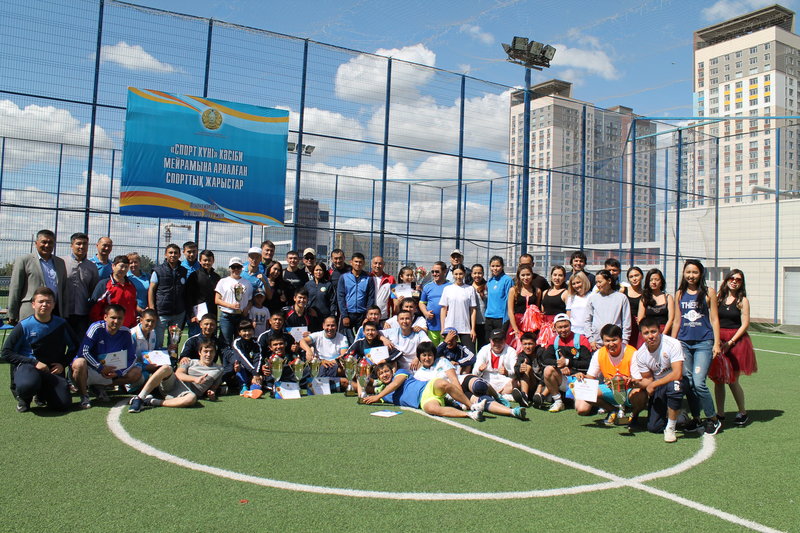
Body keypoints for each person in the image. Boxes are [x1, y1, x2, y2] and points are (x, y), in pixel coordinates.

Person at [2, 287, 76, 412]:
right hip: (29, 367)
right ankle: (24, 399)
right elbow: (6, 353)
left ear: (54, 305)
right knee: (27, 385)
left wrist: (62, 364)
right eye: (41, 301)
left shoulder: (61, 324)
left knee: (63, 404)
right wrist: (34, 362)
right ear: (33, 304)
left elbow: (75, 347)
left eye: (48, 302)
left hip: (52, 370)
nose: (44, 305)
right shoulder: (24, 325)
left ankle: (42, 394)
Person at [672, 259, 722, 436]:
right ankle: (696, 418)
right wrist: (672, 343)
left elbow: (714, 319)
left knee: (699, 382)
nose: (691, 275)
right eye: (688, 272)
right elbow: (677, 320)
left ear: (700, 274)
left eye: (695, 272)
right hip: (684, 343)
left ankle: (713, 418)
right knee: (689, 382)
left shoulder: (709, 292)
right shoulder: (679, 294)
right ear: (683, 274)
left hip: (703, 343)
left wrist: (716, 343)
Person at [414, 342, 526, 420]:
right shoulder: (418, 375)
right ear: (419, 357)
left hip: (461, 382)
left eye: (430, 355)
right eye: (424, 355)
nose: (427, 358)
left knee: (479, 386)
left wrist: (461, 397)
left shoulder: (442, 361)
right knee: (482, 400)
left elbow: (453, 378)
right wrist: (461, 399)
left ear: (434, 355)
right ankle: (512, 412)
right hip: (453, 395)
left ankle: (497, 396)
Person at [362, 360, 486, 421]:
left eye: (386, 371)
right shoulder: (383, 393)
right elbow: (363, 389)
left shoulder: (400, 373)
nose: (385, 375)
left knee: (442, 383)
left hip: (427, 387)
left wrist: (377, 396)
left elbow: (395, 384)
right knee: (431, 409)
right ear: (378, 378)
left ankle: (472, 406)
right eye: (381, 373)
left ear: (392, 371)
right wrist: (362, 377)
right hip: (423, 401)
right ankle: (470, 414)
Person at [71, 304, 142, 409]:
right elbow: (84, 352)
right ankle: (84, 396)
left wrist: (118, 372)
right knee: (79, 363)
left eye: (120, 318)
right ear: (105, 317)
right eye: (113, 317)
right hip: (90, 370)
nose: (116, 321)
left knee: (136, 372)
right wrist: (100, 368)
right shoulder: (96, 328)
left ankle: (99, 387)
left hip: (109, 371)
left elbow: (132, 357)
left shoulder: (125, 332)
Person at [573, 324, 645, 425]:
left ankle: (634, 415)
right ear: (603, 341)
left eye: (614, 340)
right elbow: (591, 377)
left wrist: (625, 380)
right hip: (610, 389)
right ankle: (612, 410)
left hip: (629, 389)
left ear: (621, 339)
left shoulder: (632, 352)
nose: (611, 344)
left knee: (641, 394)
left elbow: (637, 380)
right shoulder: (599, 353)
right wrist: (583, 376)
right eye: (607, 341)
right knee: (584, 401)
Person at [630, 317, 688, 442]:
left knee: (674, 386)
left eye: (653, 331)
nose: (650, 336)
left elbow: (677, 374)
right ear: (641, 335)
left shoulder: (673, 344)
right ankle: (678, 416)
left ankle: (670, 429)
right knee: (654, 427)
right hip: (659, 386)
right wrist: (636, 383)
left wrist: (653, 384)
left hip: (679, 381)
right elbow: (648, 379)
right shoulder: (640, 354)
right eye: (646, 333)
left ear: (659, 331)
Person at [128, 340, 223, 412]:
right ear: (200, 352)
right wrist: (195, 379)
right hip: (173, 383)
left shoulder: (219, 369)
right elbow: (178, 374)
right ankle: (140, 398)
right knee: (167, 368)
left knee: (192, 398)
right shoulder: (190, 361)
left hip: (186, 393)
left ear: (215, 353)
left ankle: (152, 401)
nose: (208, 354)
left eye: (211, 352)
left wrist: (212, 392)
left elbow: (214, 386)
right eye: (205, 351)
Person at [714, 269, 757, 427]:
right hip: (719, 340)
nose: (734, 281)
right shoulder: (718, 298)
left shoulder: (742, 300)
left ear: (741, 283)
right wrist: (717, 340)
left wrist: (730, 342)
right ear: (726, 280)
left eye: (738, 279)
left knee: (732, 380)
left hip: (736, 342)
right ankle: (720, 414)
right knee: (718, 380)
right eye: (732, 278)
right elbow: (713, 318)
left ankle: (742, 412)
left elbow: (745, 324)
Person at [8, 229, 69, 324]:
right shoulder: (24, 260)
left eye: (50, 242)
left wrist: (64, 313)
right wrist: (12, 314)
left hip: (55, 313)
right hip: (30, 313)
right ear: (36, 243)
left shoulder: (60, 263)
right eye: (44, 242)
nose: (47, 245)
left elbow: (64, 290)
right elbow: (15, 288)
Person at [540, 314, 592, 413]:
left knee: (582, 410)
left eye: (566, 326)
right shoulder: (553, 340)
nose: (563, 330)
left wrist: (568, 363)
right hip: (564, 379)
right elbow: (545, 360)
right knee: (548, 370)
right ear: (555, 328)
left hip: (580, 379)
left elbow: (588, 363)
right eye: (560, 327)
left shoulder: (581, 339)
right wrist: (559, 365)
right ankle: (558, 401)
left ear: (570, 325)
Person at [148, 244, 188, 349]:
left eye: (175, 253)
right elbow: (151, 289)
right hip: (161, 313)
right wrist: (152, 308)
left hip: (178, 313)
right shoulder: (158, 270)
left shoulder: (183, 271)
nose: (173, 255)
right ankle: (158, 360)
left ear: (179, 255)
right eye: (170, 252)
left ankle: (172, 359)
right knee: (158, 342)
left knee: (174, 343)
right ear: (165, 254)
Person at [583, 269, 631, 350]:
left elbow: (626, 321)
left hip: (616, 343)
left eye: (600, 282)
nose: (598, 285)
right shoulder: (593, 298)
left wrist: (625, 341)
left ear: (609, 281)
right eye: (596, 282)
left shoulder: (621, 298)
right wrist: (591, 339)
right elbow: (587, 320)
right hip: (597, 343)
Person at [63, 232, 99, 337]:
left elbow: (93, 291)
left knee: (80, 342)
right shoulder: (62, 262)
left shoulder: (92, 267)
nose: (81, 246)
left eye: (84, 244)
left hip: (82, 313)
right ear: (71, 245)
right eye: (78, 243)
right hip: (64, 312)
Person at [299, 315, 349, 389]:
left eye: (332, 325)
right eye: (327, 325)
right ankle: (334, 384)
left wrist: (331, 362)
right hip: (320, 365)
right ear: (323, 326)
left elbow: (343, 356)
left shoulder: (342, 338)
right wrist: (308, 350)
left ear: (336, 326)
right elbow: (302, 341)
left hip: (335, 365)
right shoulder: (317, 335)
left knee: (347, 370)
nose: (330, 328)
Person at [89, 255, 138, 328]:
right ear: (113, 266)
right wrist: (101, 327)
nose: (124, 269)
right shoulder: (104, 285)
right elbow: (95, 309)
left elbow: (133, 308)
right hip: (108, 329)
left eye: (126, 267)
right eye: (121, 266)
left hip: (127, 329)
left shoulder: (131, 286)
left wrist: (133, 326)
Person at [439, 264, 478, 354]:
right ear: (452, 274)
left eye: (460, 274)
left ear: (464, 274)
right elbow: (443, 309)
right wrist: (443, 328)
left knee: (470, 354)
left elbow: (473, 310)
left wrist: (473, 329)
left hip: (465, 328)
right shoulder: (447, 289)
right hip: (450, 327)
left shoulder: (470, 289)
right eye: (456, 274)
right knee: (450, 353)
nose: (458, 276)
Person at [337, 253, 375, 343]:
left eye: (360, 262)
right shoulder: (344, 277)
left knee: (363, 339)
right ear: (351, 262)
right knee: (345, 339)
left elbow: (370, 298)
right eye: (356, 261)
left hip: (362, 314)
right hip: (348, 313)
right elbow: (341, 297)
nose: (358, 264)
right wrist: (344, 315)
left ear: (364, 263)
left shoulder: (368, 278)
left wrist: (367, 316)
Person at [215, 257, 253, 345]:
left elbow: (250, 300)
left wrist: (247, 309)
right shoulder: (223, 281)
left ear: (242, 268)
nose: (236, 269)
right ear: (229, 268)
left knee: (240, 341)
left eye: (238, 267)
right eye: (233, 267)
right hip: (227, 315)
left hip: (241, 316)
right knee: (226, 342)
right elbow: (217, 300)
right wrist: (230, 306)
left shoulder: (247, 283)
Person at [473, 328, 520, 398]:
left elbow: (515, 372)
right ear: (490, 340)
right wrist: (479, 370)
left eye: (500, 341)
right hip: (488, 382)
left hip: (505, 382)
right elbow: (474, 373)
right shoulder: (484, 350)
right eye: (495, 341)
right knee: (474, 381)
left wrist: (507, 373)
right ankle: (501, 395)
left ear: (505, 340)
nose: (497, 344)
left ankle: (495, 395)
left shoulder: (511, 351)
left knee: (518, 383)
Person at [185, 249, 220, 337]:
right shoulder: (194, 276)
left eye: (209, 260)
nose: (207, 262)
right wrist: (192, 315)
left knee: (211, 340)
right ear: (200, 261)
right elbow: (188, 297)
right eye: (205, 260)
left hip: (212, 314)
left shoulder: (216, 277)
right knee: (196, 339)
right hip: (197, 316)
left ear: (213, 261)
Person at [225, 319, 263, 394]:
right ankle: (243, 385)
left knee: (259, 372)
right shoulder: (237, 342)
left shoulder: (256, 344)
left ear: (253, 331)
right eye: (244, 331)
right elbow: (242, 358)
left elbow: (258, 359)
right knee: (238, 364)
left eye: (249, 330)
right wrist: (254, 373)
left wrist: (256, 374)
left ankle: (254, 386)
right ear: (239, 332)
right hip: (242, 369)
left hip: (253, 371)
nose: (247, 333)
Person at [419, 261, 451, 344]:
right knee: (433, 349)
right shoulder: (427, 286)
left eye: (437, 272)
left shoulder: (451, 286)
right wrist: (425, 313)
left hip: (448, 326)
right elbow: (422, 302)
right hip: (432, 326)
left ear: (444, 272)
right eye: (432, 272)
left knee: (446, 349)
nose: (434, 274)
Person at [637, 268, 674, 340]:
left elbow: (671, 319)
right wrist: (649, 334)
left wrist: (663, 335)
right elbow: (640, 319)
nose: (654, 282)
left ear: (661, 282)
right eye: (651, 280)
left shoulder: (668, 297)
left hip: (664, 332)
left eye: (657, 279)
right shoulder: (644, 298)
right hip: (648, 333)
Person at [507, 264, 542, 340]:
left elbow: (537, 309)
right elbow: (510, 311)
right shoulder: (513, 290)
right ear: (519, 276)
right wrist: (515, 329)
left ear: (532, 275)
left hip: (532, 325)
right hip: (518, 322)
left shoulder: (537, 291)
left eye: (528, 275)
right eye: (523, 275)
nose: (525, 278)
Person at [511, 332, 543, 408]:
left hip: (543, 385)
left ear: (535, 344)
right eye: (525, 344)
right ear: (521, 345)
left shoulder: (542, 352)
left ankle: (540, 398)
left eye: (530, 344)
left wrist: (540, 387)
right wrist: (520, 370)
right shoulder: (521, 355)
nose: (527, 347)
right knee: (525, 369)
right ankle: (524, 396)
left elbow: (546, 372)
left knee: (549, 372)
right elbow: (516, 368)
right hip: (532, 385)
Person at [484, 256, 514, 334]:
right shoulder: (490, 281)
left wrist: (507, 318)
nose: (495, 268)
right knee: (488, 340)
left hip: (501, 318)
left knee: (500, 340)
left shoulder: (507, 280)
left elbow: (510, 300)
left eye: (498, 266)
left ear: (502, 266)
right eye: (492, 266)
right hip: (489, 317)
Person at [305, 261, 335, 331]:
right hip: (310, 316)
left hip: (324, 316)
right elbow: (304, 299)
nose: (318, 272)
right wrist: (308, 309)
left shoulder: (328, 285)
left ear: (324, 272)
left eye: (320, 270)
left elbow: (332, 301)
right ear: (313, 271)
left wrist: (332, 316)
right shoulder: (308, 285)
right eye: (316, 270)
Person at [622, 266, 644, 347]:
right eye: (631, 277)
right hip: (626, 325)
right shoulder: (623, 291)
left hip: (639, 326)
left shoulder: (646, 293)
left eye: (636, 275)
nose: (634, 279)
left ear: (642, 276)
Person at [566, 271, 591, 337]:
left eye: (578, 282)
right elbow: (568, 315)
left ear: (584, 281)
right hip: (573, 331)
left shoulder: (591, 296)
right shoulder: (571, 297)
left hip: (587, 332)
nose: (576, 286)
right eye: (573, 284)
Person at [370, 256, 395, 320]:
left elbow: (393, 299)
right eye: (375, 263)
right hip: (369, 316)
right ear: (371, 265)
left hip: (384, 317)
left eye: (380, 263)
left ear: (384, 265)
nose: (377, 266)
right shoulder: (367, 277)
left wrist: (394, 316)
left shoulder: (390, 279)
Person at [470, 263, 488, 349]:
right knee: (471, 348)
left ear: (483, 274)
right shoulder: (468, 287)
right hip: (471, 323)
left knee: (483, 347)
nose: (477, 275)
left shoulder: (487, 286)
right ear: (471, 274)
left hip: (484, 322)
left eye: (479, 273)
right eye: (475, 273)